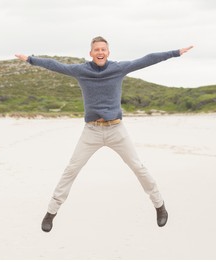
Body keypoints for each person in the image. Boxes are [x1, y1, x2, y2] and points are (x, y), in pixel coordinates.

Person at [16, 36, 193, 232]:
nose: (100, 52)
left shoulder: (118, 69)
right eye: (96, 49)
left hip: (116, 130)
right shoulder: (80, 71)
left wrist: (175, 53)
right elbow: (55, 65)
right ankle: (51, 213)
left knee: (138, 167)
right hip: (91, 131)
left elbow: (146, 59)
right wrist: (30, 59)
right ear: (91, 53)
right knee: (71, 170)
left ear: (108, 52)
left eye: (103, 49)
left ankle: (160, 206)